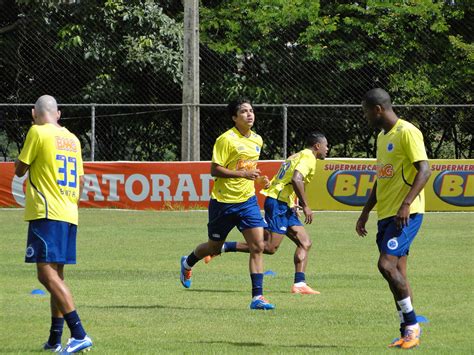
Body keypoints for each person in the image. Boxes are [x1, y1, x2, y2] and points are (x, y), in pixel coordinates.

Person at [204, 132, 329, 295]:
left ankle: (299, 284)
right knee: (269, 247)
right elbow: (297, 179)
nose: (328, 149)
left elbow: (286, 180)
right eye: (326, 146)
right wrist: (305, 206)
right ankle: (224, 247)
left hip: (283, 203)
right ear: (317, 146)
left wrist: (292, 203)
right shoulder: (309, 158)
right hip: (279, 204)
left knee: (305, 242)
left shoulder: (296, 155)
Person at [179, 97, 275, 310]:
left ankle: (257, 297)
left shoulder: (257, 140)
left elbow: (250, 169)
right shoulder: (226, 139)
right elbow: (215, 170)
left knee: (258, 246)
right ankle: (188, 262)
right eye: (243, 111)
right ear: (234, 117)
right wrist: (242, 173)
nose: (249, 114)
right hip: (223, 202)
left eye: (251, 110)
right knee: (213, 246)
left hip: (247, 201)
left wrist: (257, 179)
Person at [15, 95, 92, 353]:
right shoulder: (72, 139)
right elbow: (81, 182)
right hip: (69, 212)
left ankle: (79, 333)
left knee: (45, 274)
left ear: (34, 113)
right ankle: (54, 339)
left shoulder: (37, 132)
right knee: (57, 274)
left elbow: (19, 169)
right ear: (58, 113)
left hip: (46, 211)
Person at [356, 88, 431, 349]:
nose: (365, 116)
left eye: (366, 111)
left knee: (386, 265)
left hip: (405, 214)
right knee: (396, 273)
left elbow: (425, 169)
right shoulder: (381, 137)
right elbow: (382, 178)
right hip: (385, 214)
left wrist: (406, 204)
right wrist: (365, 212)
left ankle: (412, 325)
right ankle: (405, 330)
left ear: (378, 109)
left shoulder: (407, 132)